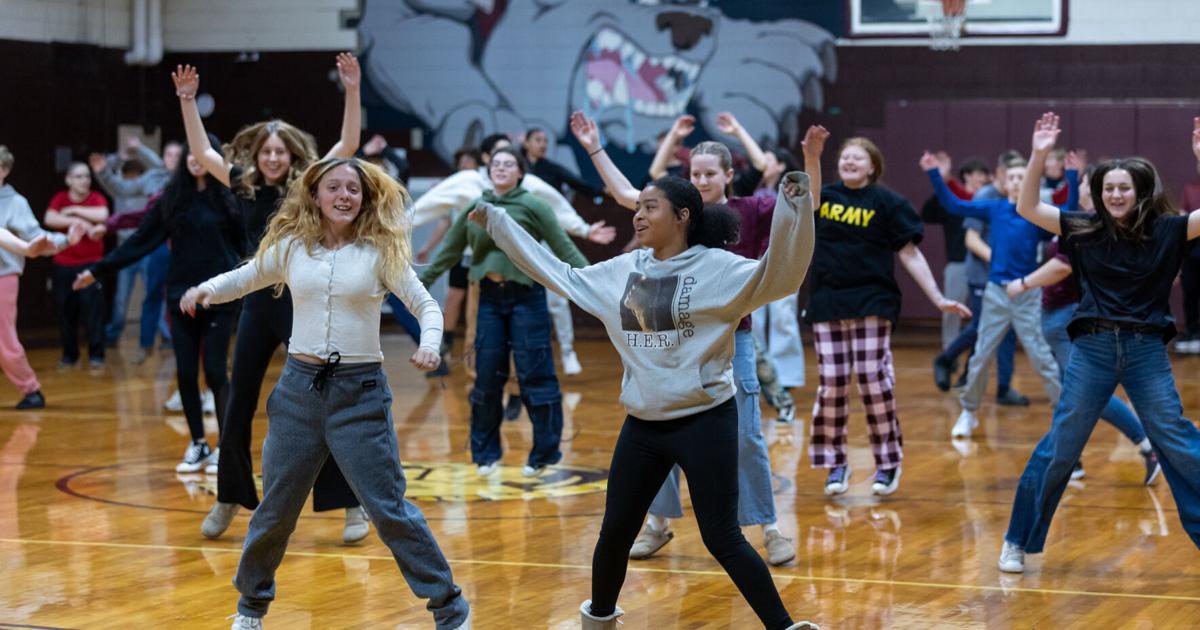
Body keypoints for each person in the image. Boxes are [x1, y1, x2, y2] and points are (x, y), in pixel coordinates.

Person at [470, 169, 818, 630]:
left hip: (705, 420)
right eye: (637, 208)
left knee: (721, 536)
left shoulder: (718, 269)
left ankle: (785, 626)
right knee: (615, 531)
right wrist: (498, 223)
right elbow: (555, 272)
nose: (638, 216)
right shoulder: (621, 272)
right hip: (643, 426)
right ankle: (598, 620)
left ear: (682, 216)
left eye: (649, 207)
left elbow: (782, 275)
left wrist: (795, 207)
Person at [181, 157, 469, 630]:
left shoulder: (381, 252)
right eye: (333, 187)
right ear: (314, 195)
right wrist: (205, 289)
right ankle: (250, 609)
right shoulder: (292, 247)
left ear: (364, 198)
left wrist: (433, 344)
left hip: (360, 397)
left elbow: (425, 304)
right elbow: (247, 276)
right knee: (275, 510)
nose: (344, 196)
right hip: (298, 393)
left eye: (353, 189)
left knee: (390, 511)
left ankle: (450, 610)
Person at [572, 110, 817, 566]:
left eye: (710, 173)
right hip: (668, 339)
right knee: (655, 424)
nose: (701, 180)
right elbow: (628, 193)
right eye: (695, 173)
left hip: (732, 338)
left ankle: (769, 527)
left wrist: (811, 160)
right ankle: (659, 523)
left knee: (747, 435)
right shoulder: (676, 213)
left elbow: (798, 199)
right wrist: (593, 147)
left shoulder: (751, 208)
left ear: (728, 175)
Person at [171, 56, 371, 543]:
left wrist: (351, 91)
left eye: (282, 151)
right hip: (260, 300)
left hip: (302, 301)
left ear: (293, 155)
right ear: (257, 154)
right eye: (267, 150)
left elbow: (348, 146)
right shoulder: (242, 184)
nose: (275, 157)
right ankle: (228, 497)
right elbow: (201, 148)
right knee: (237, 402)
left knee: (324, 401)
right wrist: (187, 101)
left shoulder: (309, 186)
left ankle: (350, 506)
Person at [998, 112, 1200, 573]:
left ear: (1142, 191)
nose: (1114, 194)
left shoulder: (1169, 229)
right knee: (1063, 446)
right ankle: (1017, 539)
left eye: (1123, 187)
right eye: (1107, 187)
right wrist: (1038, 154)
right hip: (1092, 349)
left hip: (1147, 351)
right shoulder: (1082, 228)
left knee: (1177, 439)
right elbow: (1027, 208)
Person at [806, 138, 969, 496]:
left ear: (872, 166)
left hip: (873, 299)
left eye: (857, 157)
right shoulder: (826, 197)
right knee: (832, 383)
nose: (848, 161)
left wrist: (938, 297)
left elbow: (909, 254)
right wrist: (811, 157)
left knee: (872, 379)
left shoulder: (889, 203)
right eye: (844, 157)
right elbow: (809, 197)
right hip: (828, 300)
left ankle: (887, 461)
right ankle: (835, 463)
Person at [75, 134, 244, 474]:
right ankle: (197, 443)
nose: (197, 158)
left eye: (204, 152)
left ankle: (226, 446)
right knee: (184, 371)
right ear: (184, 157)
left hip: (219, 295)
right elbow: (139, 240)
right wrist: (98, 270)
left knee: (214, 369)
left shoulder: (230, 199)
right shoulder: (172, 199)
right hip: (181, 296)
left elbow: (247, 245)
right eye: (192, 152)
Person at [418, 146, 585, 477]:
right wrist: (417, 285)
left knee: (535, 375)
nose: (502, 168)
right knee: (487, 377)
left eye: (509, 164)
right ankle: (485, 454)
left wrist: (596, 284)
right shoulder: (475, 207)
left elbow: (565, 249)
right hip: (489, 300)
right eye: (496, 164)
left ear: (521, 172)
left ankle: (545, 453)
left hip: (528, 298)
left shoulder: (534, 205)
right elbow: (448, 253)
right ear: (488, 170)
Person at [1004, 159, 1160, 484]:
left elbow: (1063, 266)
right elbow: (1030, 209)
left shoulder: (1095, 229)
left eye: (1116, 187)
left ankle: (1147, 446)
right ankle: (1072, 459)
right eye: (1102, 186)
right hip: (1056, 315)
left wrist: (1024, 283)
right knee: (1070, 394)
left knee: (1088, 395)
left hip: (1069, 316)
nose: (1105, 192)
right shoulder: (1080, 221)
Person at [921, 150, 1070, 439]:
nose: (1016, 182)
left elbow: (1068, 215)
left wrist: (1073, 177)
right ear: (1003, 180)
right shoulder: (993, 208)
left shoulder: (1037, 214)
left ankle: (1063, 414)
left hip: (1026, 294)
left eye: (1021, 178)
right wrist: (934, 175)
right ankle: (969, 411)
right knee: (981, 355)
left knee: (1042, 357)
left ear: (1029, 183)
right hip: (995, 293)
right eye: (1012, 177)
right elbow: (953, 204)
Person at [0, 144, 82, 409]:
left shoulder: (15, 203)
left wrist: (66, 240)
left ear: (5, 170)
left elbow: (37, 239)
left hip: (3, 277)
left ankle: (31, 389)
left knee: (4, 339)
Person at [89, 137, 177, 350]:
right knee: (145, 297)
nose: (172, 158)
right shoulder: (154, 178)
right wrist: (103, 171)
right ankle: (145, 344)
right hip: (146, 247)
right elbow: (123, 192)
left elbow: (164, 166)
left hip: (174, 249)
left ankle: (170, 338)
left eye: (177, 155)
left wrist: (139, 149)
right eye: (169, 154)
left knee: (166, 297)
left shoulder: (185, 179)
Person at [42, 162, 109, 369]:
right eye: (79, 177)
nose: (85, 181)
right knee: (65, 311)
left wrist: (73, 210)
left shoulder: (96, 198)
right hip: (64, 265)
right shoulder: (59, 198)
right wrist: (81, 224)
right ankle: (70, 355)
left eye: (87, 176)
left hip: (91, 265)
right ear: (68, 180)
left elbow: (103, 215)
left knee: (93, 312)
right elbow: (49, 218)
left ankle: (96, 355)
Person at [521, 126, 603, 198]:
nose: (543, 145)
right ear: (526, 143)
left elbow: (577, 183)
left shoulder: (552, 168)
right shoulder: (518, 167)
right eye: (538, 140)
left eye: (545, 141)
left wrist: (601, 191)